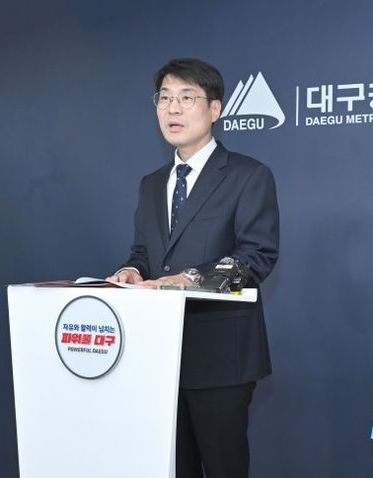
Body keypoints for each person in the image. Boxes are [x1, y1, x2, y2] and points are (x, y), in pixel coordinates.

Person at [107, 58, 279, 478]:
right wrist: (131, 271)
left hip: (221, 358)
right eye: (164, 98)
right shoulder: (152, 183)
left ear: (215, 109)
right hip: (156, 355)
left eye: (187, 98)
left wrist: (190, 279)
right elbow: (144, 252)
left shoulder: (248, 175)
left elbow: (257, 255)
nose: (173, 108)